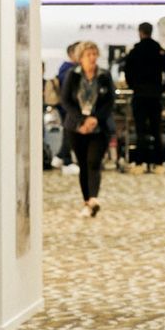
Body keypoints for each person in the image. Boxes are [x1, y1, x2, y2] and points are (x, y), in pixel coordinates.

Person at [59, 40, 115, 217]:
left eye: (94, 54)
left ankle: (93, 198)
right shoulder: (72, 75)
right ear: (80, 58)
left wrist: (95, 119)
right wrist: (82, 120)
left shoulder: (104, 76)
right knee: (83, 164)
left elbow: (109, 102)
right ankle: (87, 201)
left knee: (94, 162)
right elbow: (66, 100)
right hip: (76, 127)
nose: (91, 58)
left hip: (99, 128)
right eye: (88, 55)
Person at [121, 23, 165, 172]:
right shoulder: (160, 51)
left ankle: (140, 162)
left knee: (140, 130)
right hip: (155, 95)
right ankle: (158, 163)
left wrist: (133, 87)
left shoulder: (135, 51)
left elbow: (127, 72)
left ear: (140, 32)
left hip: (139, 95)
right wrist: (163, 88)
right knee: (156, 129)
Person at [53, 41, 82, 170]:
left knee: (69, 131)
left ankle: (60, 157)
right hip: (68, 107)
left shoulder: (72, 68)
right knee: (69, 132)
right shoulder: (68, 69)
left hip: (71, 106)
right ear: (71, 53)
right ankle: (66, 161)